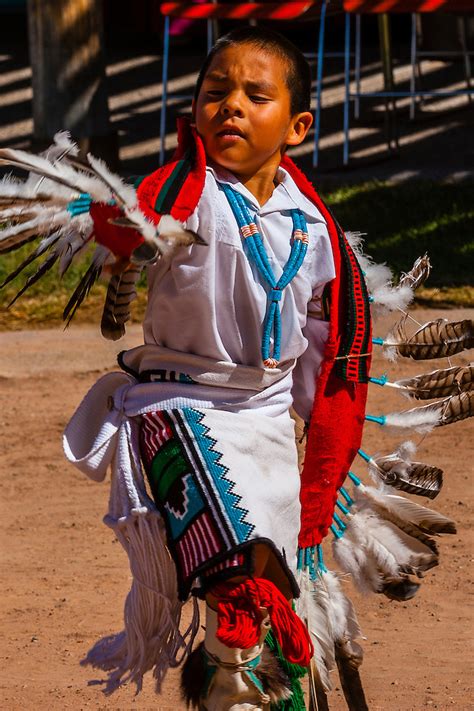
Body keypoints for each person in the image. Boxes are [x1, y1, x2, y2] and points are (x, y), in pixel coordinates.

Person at [63, 26, 371, 710]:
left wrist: (323, 461)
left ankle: (266, 691)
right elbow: (133, 217)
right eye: (214, 93)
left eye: (254, 95)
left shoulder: (314, 229)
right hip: (176, 409)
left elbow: (329, 360)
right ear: (194, 113)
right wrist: (122, 227)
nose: (230, 105)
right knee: (238, 579)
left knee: (267, 594)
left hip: (262, 425)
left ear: (297, 126)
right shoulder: (189, 196)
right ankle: (238, 681)